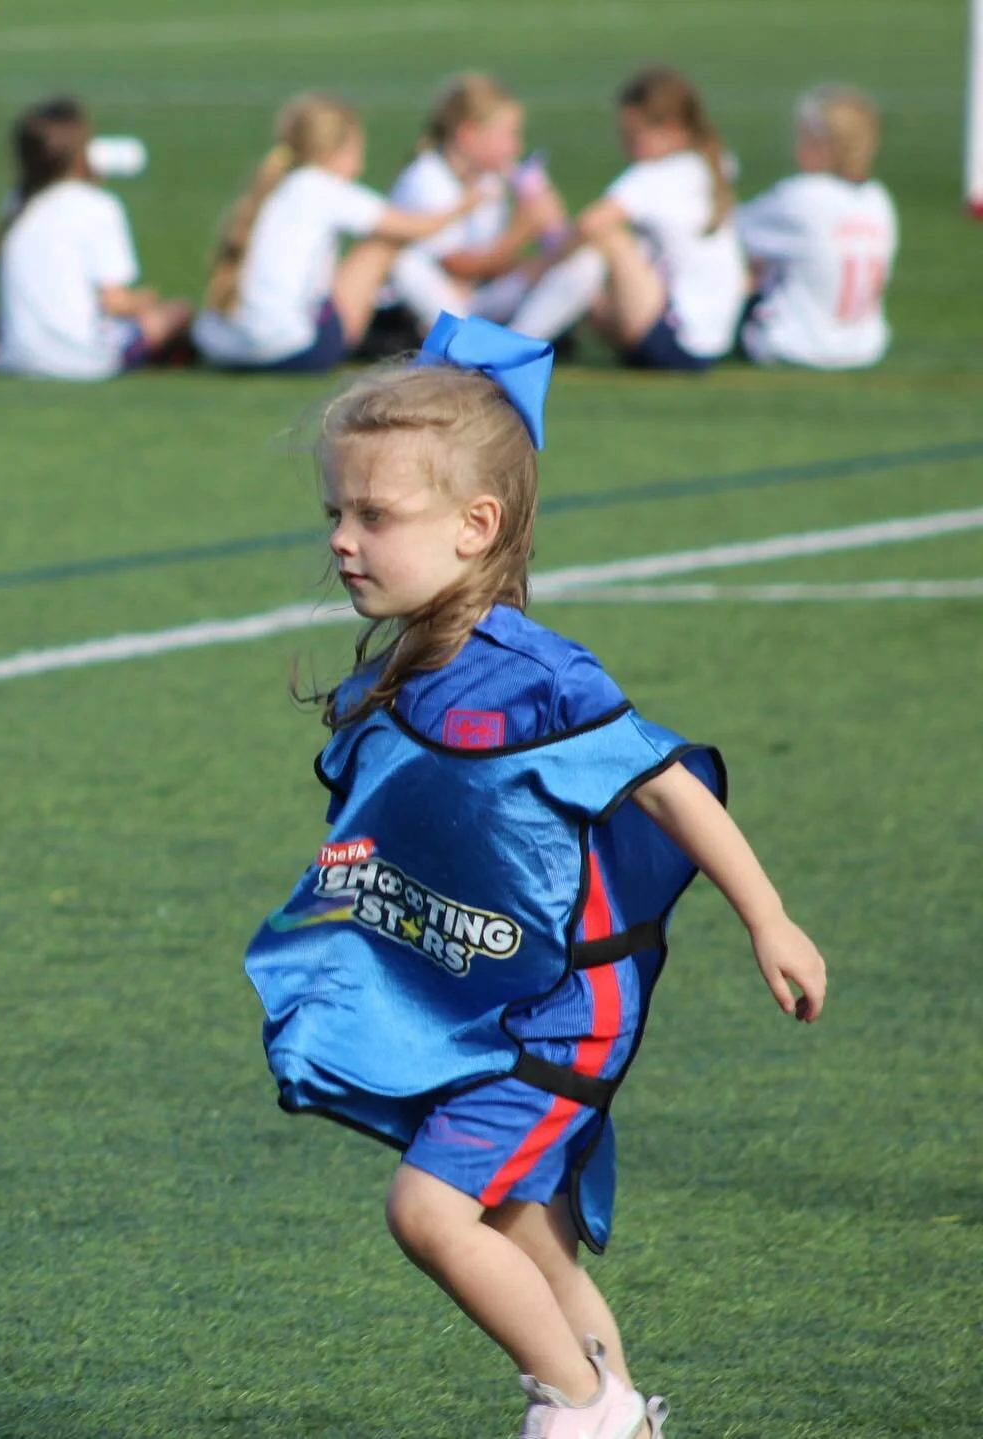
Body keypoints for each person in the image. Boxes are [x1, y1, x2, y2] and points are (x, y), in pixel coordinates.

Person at [243, 314, 827, 1437]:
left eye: (375, 514)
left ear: (477, 526)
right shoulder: (415, 658)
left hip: (561, 1010)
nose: (345, 541)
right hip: (484, 993)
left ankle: (581, 1403)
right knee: (518, 1222)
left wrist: (770, 916)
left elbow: (666, 782)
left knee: (428, 1209)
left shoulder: (537, 678)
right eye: (336, 513)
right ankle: (622, 1410)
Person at [192, 93, 486, 373]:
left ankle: (415, 324)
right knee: (382, 246)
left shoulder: (278, 187)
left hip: (230, 349)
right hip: (297, 351)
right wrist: (468, 203)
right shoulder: (321, 185)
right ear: (337, 150)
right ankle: (456, 335)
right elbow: (416, 227)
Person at [509, 68, 747, 370]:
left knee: (608, 240)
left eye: (633, 136)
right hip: (706, 342)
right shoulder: (713, 162)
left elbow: (590, 224)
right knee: (587, 265)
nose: (625, 146)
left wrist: (545, 260)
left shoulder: (657, 174)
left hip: (679, 341)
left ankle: (512, 344)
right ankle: (523, 337)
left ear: (670, 129)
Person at [0, 97, 192, 381]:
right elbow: (114, 302)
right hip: (83, 361)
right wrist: (144, 301)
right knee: (177, 313)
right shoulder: (98, 206)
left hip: (14, 358)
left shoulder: (16, 204)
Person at [386, 73, 571, 331]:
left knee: (575, 266)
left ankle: (519, 341)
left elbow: (491, 264)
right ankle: (481, 344)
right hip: (421, 305)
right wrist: (523, 229)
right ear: (469, 135)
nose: (517, 147)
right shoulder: (426, 179)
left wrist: (550, 242)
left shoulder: (489, 181)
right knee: (404, 260)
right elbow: (458, 266)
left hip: (470, 297)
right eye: (508, 135)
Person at [735, 86, 898, 369]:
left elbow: (728, 233)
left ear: (825, 145)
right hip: (865, 346)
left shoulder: (803, 196)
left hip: (793, 343)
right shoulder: (878, 199)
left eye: (804, 137)